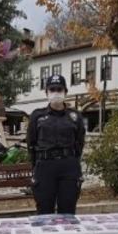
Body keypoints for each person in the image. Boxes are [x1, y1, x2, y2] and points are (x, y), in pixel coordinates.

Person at [26, 74, 86, 214]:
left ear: (65, 92)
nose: (56, 93)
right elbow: (31, 143)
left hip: (69, 167)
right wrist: (36, 166)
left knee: (68, 211)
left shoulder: (75, 116)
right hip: (44, 166)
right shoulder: (37, 116)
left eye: (59, 89)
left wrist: (72, 160)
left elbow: (80, 142)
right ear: (46, 92)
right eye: (52, 90)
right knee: (44, 211)